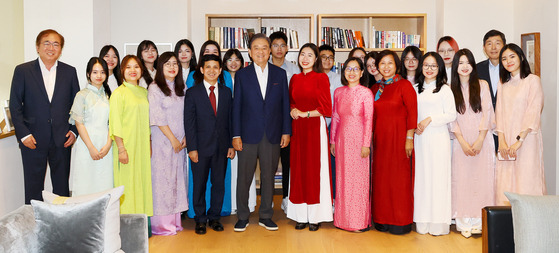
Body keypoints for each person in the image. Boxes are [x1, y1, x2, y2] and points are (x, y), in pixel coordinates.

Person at [10, 29, 80, 204]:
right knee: (33, 188)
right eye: (46, 43)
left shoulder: (69, 72)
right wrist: (23, 134)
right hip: (32, 139)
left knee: (62, 187)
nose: (51, 47)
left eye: (56, 44)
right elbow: (15, 105)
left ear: (60, 49)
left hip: (62, 138)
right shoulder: (23, 71)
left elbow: (77, 105)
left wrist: (73, 131)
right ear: (37, 47)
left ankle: (62, 224)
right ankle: (33, 225)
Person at [232, 33, 291, 232]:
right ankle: (242, 216)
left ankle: (266, 215)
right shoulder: (242, 75)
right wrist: (236, 135)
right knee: (244, 177)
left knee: (268, 176)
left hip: (273, 134)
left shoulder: (280, 74)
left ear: (269, 51)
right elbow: (237, 106)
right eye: (256, 48)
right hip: (247, 135)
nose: (261, 51)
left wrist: (286, 131)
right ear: (249, 52)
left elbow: (285, 105)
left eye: (264, 47)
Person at [185, 54, 235, 235]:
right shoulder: (192, 93)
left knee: (218, 184)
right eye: (208, 67)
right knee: (199, 184)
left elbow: (230, 120)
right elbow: (189, 123)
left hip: (221, 147)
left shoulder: (227, 92)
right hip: (199, 148)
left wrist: (230, 145)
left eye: (215, 67)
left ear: (221, 70)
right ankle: (200, 219)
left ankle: (214, 217)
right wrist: (192, 148)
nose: (212, 71)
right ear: (201, 70)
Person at [449, 49, 496, 238]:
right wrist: (462, 141)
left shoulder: (482, 85)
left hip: (482, 141)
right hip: (460, 143)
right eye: (461, 63)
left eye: (468, 62)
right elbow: (452, 119)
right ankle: (463, 221)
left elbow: (488, 113)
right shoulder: (449, 88)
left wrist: (479, 140)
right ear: (455, 67)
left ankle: (479, 221)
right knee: (462, 180)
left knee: (483, 179)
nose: (465, 66)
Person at [286, 43, 333, 231]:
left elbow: (326, 109)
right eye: (302, 54)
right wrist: (293, 111)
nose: (305, 58)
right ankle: (300, 215)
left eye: (310, 55)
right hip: (298, 128)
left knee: (314, 170)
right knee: (298, 169)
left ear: (316, 59)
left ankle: (315, 216)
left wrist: (304, 114)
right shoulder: (294, 79)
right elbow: (290, 103)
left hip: (314, 126)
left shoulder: (321, 78)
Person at [370, 50, 417, 235]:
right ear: (377, 67)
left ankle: (400, 221)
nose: (386, 67)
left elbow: (412, 113)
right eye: (382, 63)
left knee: (399, 182)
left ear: (396, 65)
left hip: (400, 141)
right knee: (381, 180)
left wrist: (409, 139)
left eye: (390, 63)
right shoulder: (376, 89)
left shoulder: (404, 85)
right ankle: (381, 219)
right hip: (380, 142)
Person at [495, 43, 546, 205]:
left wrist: (519, 141)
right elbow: (499, 113)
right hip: (507, 141)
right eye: (504, 59)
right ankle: (508, 227)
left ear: (521, 57)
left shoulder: (532, 81)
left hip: (527, 139)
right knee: (507, 183)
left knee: (527, 180)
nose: (508, 61)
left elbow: (533, 112)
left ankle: (532, 226)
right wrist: (502, 141)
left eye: (512, 56)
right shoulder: (503, 83)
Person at [413, 52, 456, 236]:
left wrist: (429, 119)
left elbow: (451, 115)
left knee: (438, 179)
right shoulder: (415, 88)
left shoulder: (444, 89)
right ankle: (422, 222)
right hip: (420, 139)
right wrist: (414, 125)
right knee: (422, 179)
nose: (429, 69)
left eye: (433, 66)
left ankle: (438, 224)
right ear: (421, 67)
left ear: (439, 69)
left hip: (438, 138)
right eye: (426, 65)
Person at [330, 57, 373, 232]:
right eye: (348, 68)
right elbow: (335, 117)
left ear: (362, 73)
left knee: (358, 181)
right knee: (342, 180)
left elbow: (369, 119)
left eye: (356, 69)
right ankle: (342, 220)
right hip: (341, 141)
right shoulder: (339, 92)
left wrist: (366, 144)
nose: (352, 72)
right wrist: (332, 140)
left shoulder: (366, 93)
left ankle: (358, 222)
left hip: (359, 142)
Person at [148, 52, 188, 235]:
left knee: (176, 180)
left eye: (175, 64)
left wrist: (185, 137)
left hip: (180, 142)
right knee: (162, 181)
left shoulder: (182, 87)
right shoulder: (155, 87)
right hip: (163, 141)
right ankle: (161, 224)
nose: (172, 67)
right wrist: (172, 139)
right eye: (167, 64)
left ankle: (174, 220)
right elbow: (157, 116)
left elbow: (187, 114)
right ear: (160, 67)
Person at [109, 55, 153, 216]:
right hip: (126, 146)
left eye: (136, 67)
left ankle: (142, 222)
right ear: (122, 71)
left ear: (141, 70)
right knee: (127, 184)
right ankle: (128, 224)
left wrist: (149, 143)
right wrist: (121, 148)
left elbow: (148, 120)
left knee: (142, 182)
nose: (132, 70)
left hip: (142, 145)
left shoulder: (144, 92)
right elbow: (115, 123)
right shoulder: (119, 93)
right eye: (128, 67)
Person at [68, 57, 113, 197]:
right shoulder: (82, 95)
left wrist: (108, 144)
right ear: (88, 74)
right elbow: (79, 123)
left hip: (105, 144)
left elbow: (112, 122)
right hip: (87, 144)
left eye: (102, 72)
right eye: (95, 72)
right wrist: (91, 147)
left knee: (104, 181)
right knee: (86, 181)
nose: (99, 76)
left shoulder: (108, 95)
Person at [269, 31, 301, 211]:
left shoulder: (294, 70)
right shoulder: (265, 68)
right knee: (270, 164)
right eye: (275, 45)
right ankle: (269, 199)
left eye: (282, 45)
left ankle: (287, 198)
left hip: (290, 123)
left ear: (287, 48)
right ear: (270, 48)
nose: (279, 49)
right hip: (271, 124)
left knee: (288, 163)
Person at [223, 48, 257, 215]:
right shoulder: (221, 79)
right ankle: (230, 204)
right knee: (230, 169)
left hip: (246, 131)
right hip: (227, 129)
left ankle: (248, 204)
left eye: (237, 59)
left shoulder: (247, 78)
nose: (233, 62)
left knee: (245, 169)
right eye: (229, 59)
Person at [319, 44, 343, 197]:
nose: (327, 60)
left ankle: (333, 197)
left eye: (330, 57)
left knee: (333, 164)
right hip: (315, 125)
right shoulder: (312, 77)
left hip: (334, 126)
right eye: (323, 57)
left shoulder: (339, 78)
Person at [477, 30, 506, 153]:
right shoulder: (476, 69)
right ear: (484, 48)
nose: (493, 47)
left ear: (504, 45)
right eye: (489, 44)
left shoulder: (511, 68)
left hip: (506, 125)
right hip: (484, 126)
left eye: (497, 43)